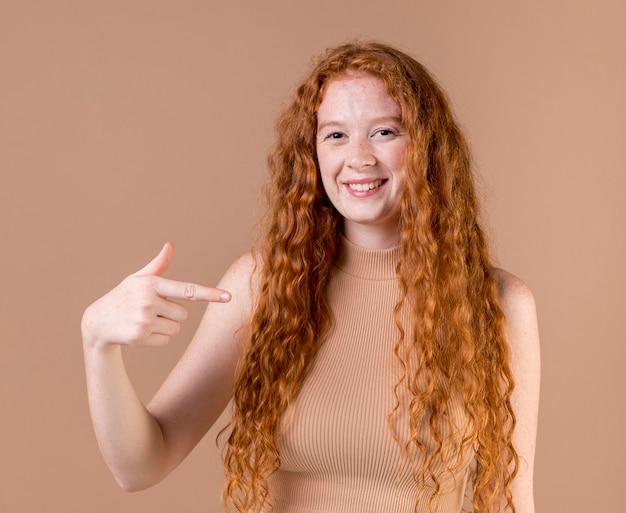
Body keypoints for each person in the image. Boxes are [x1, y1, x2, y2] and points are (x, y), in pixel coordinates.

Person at [82, 41, 540, 513]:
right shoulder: (262, 285)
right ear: (313, 153)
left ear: (428, 147)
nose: (358, 158)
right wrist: (99, 344)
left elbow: (511, 500)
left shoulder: (499, 303)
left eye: (384, 131)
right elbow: (139, 467)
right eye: (336, 135)